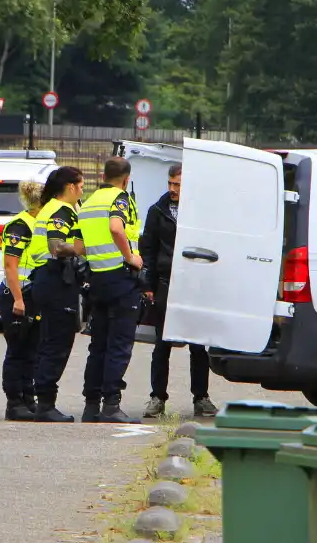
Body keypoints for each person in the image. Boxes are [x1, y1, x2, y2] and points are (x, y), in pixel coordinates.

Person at [139, 163, 218, 418]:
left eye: (178, 185)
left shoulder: (201, 213)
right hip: (166, 282)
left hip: (194, 283)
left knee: (198, 345)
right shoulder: (157, 211)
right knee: (162, 343)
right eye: (170, 184)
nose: (173, 189)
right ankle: (157, 397)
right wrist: (148, 285)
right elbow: (148, 250)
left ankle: (201, 397)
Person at [79, 157, 144, 424]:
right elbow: (116, 227)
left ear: (104, 175)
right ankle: (111, 405)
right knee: (119, 345)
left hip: (97, 279)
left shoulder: (89, 201)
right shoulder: (120, 198)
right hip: (120, 278)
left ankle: (91, 405)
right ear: (126, 179)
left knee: (99, 345)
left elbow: (80, 245)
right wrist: (130, 257)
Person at [24, 166, 86, 423]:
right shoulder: (61, 210)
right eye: (81, 186)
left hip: (47, 279)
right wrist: (82, 249)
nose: (83, 190)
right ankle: (46, 404)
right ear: (70, 187)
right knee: (57, 343)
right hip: (55, 278)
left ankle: (42, 400)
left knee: (50, 341)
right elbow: (56, 246)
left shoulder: (50, 207)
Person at [0, 179, 45, 421]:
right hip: (17, 296)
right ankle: (14, 402)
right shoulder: (20, 225)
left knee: (32, 351)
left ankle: (29, 398)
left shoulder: (40, 224)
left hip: (33, 296)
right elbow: (10, 265)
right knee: (17, 350)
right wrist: (18, 299)